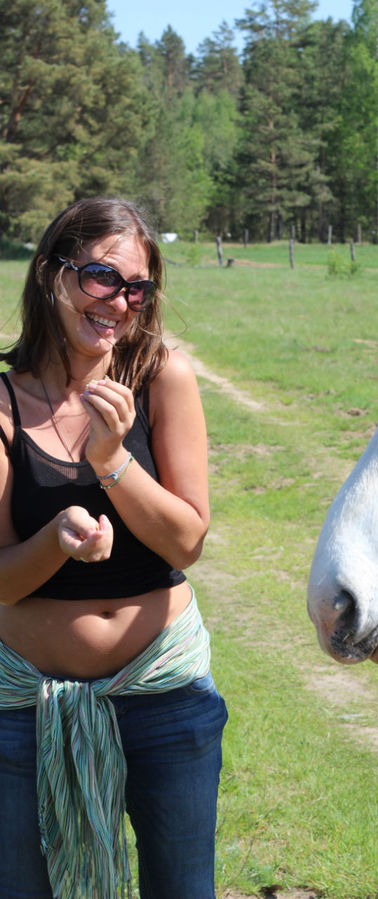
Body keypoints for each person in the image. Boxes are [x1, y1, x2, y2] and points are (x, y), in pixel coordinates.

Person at [0, 197, 228, 899]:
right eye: (102, 277)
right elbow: (2, 581)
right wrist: (57, 539)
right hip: (21, 705)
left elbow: (186, 539)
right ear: (52, 274)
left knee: (182, 888)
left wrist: (111, 461)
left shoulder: (163, 377)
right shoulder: (2, 401)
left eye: (138, 287)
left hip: (164, 692)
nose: (121, 302)